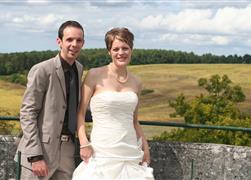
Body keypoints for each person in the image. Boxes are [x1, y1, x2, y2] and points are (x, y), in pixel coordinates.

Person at [72, 27, 154, 179]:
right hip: (101, 150)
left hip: (129, 150)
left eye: (125, 48)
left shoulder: (136, 82)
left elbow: (134, 121)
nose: (121, 53)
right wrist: (83, 142)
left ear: (131, 50)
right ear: (109, 51)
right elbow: (80, 113)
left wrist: (145, 148)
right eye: (115, 49)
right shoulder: (94, 75)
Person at [15, 20, 85, 180]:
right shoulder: (42, 70)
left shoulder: (79, 69)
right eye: (69, 39)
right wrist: (35, 155)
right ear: (59, 41)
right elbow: (27, 112)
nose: (74, 44)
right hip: (41, 151)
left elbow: (72, 106)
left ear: (83, 43)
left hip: (68, 150)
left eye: (78, 40)